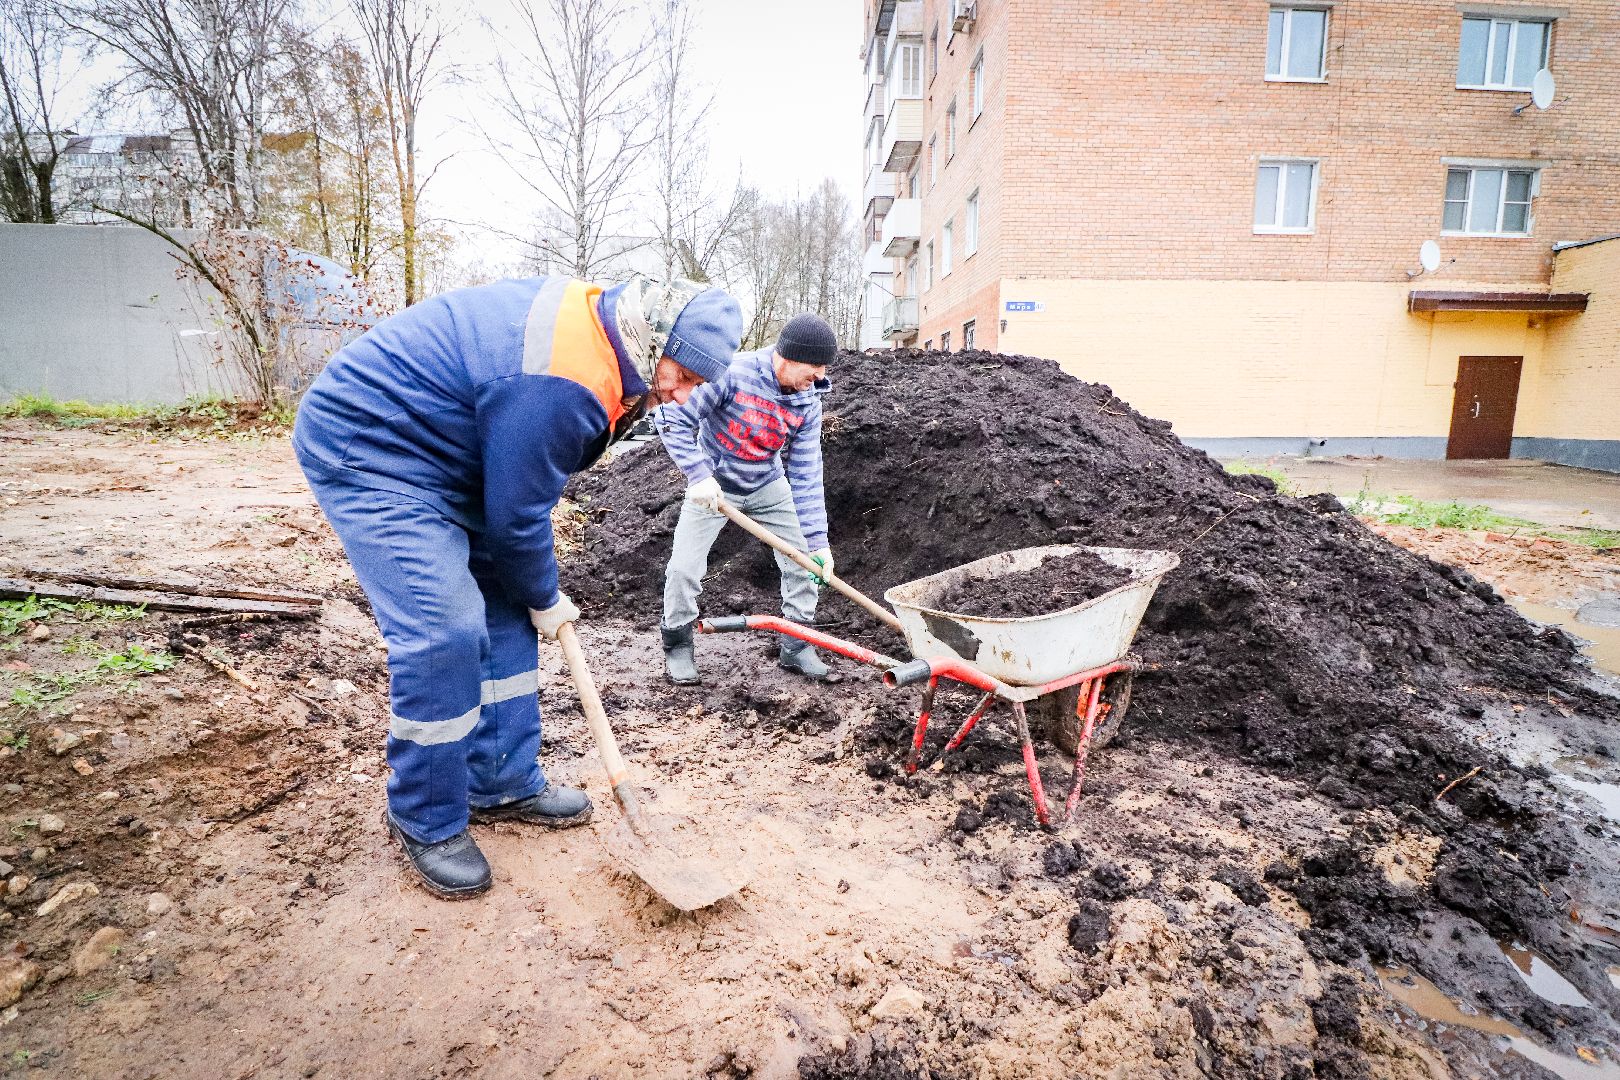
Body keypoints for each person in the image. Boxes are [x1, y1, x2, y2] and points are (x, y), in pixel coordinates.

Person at [292, 275, 743, 899]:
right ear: (655, 336)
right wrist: (549, 594)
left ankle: (501, 780)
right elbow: (517, 520)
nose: (680, 393)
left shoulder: (615, 350)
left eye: (697, 384)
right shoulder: (566, 379)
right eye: (682, 374)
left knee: (509, 610)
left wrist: (531, 595)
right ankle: (425, 815)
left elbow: (517, 504)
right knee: (444, 630)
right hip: (376, 451)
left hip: (458, 456)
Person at [657, 312, 838, 684]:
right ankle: (677, 643)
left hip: (767, 484)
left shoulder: (808, 399)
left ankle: (797, 645)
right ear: (786, 357)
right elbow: (671, 419)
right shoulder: (731, 374)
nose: (819, 377)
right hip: (715, 486)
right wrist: (699, 476)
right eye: (814, 367)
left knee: (804, 562)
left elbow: (805, 472)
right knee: (683, 568)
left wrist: (818, 543)